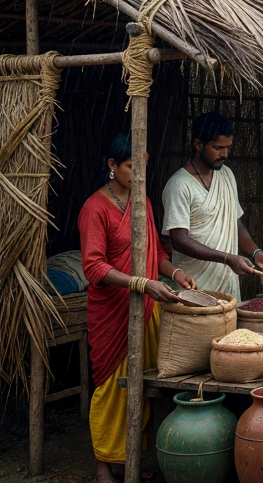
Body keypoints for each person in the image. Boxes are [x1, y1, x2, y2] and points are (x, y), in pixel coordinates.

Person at [81, 134, 197, 483]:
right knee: (109, 388)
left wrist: (175, 272)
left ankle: (127, 459)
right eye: (133, 165)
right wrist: (139, 283)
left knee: (142, 383)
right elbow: (94, 267)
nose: (140, 171)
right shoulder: (94, 208)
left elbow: (155, 252)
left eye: (144, 164)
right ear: (112, 166)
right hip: (111, 313)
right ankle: (104, 465)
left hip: (146, 307)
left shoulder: (142, 201)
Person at [163, 112, 263, 301]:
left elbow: (235, 223)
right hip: (195, 285)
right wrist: (227, 258)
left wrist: (256, 252)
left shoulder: (227, 175)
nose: (225, 154)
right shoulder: (179, 185)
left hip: (227, 284)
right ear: (198, 144)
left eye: (228, 148)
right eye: (218, 148)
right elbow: (179, 240)